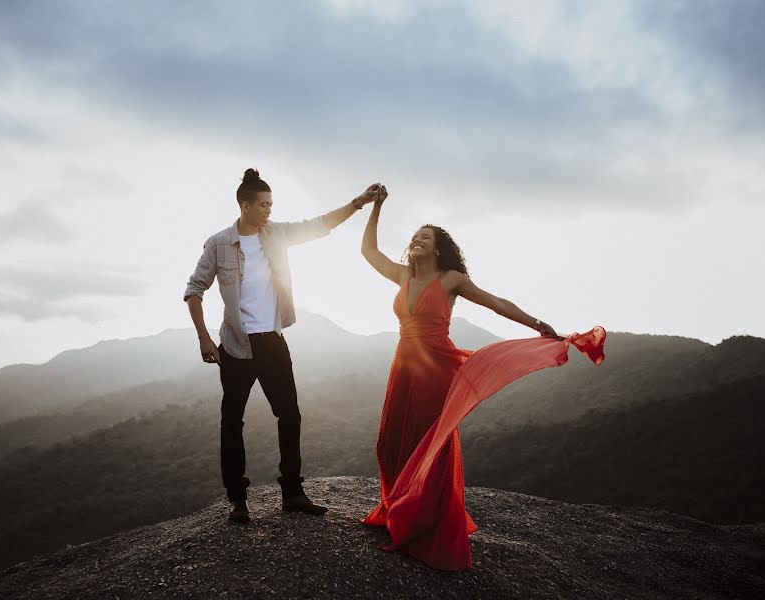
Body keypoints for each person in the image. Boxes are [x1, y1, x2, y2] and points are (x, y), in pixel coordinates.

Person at [360, 186, 605, 570]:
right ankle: (398, 508)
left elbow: (494, 302)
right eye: (414, 237)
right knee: (389, 443)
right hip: (403, 364)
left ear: (438, 248)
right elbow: (369, 252)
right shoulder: (403, 275)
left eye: (425, 237)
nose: (417, 241)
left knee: (429, 442)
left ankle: (426, 523)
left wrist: (537, 323)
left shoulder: (450, 279)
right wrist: (376, 206)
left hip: (435, 366)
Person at [184, 168, 380, 523]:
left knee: (289, 415)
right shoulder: (218, 244)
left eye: (271, 205)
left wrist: (357, 203)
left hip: (273, 342)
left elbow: (319, 225)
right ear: (245, 205)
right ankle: (238, 501)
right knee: (232, 422)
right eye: (263, 205)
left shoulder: (276, 235)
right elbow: (194, 290)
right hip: (236, 347)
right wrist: (203, 337)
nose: (269, 211)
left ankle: (292, 492)